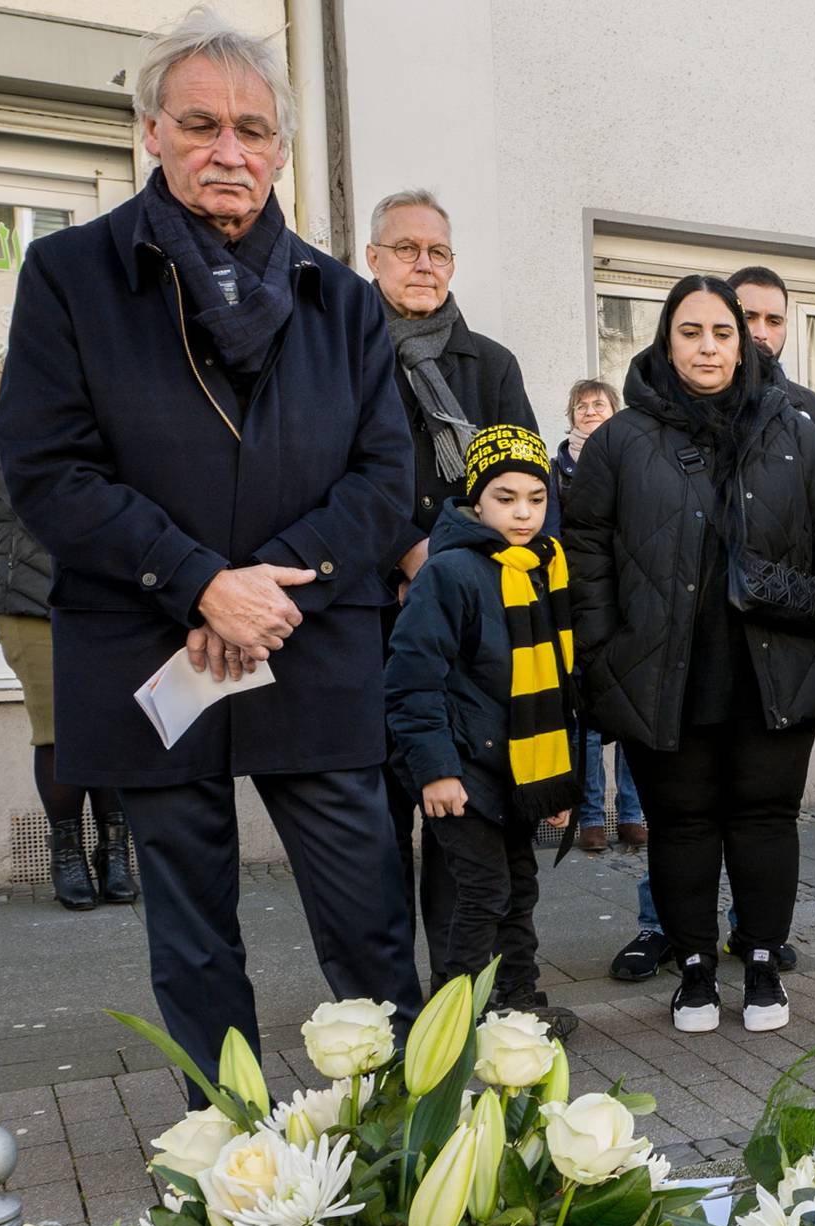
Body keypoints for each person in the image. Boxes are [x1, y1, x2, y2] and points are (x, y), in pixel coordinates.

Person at [0, 8, 421, 1081]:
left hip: (310, 642)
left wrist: (279, 588)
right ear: (152, 132)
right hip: (154, 644)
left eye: (251, 129)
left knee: (371, 921)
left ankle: (417, 1146)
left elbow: (387, 479)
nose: (228, 150)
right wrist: (199, 583)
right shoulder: (68, 276)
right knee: (192, 942)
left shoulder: (344, 300)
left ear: (281, 147)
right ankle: (235, 1159)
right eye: (200, 124)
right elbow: (49, 471)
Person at [566, 274, 815, 1035]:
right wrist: (602, 653)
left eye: (722, 332)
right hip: (663, 670)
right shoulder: (620, 441)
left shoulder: (794, 432)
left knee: (766, 818)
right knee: (682, 824)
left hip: (773, 667)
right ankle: (695, 967)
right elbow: (587, 555)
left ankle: (762, 959)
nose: (708, 346)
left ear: (744, 342)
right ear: (666, 340)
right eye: (691, 331)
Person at [365, 188, 542, 984]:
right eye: (406, 249)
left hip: (473, 631)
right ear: (373, 259)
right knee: (377, 820)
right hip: (368, 617)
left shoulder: (490, 364)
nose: (423, 265)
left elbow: (528, 484)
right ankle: (386, 1000)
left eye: (437, 251)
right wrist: (409, 553)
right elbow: (327, 475)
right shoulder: (344, 352)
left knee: (459, 816)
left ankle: (461, 989)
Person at [385, 424, 583, 1036]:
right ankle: (458, 1014)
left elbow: (560, 688)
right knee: (482, 895)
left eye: (536, 498)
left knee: (519, 890)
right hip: (464, 770)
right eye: (505, 498)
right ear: (476, 499)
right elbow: (412, 683)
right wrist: (437, 771)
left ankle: (516, 1000)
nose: (523, 513)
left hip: (518, 772)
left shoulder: (545, 568)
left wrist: (557, 785)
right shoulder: (450, 573)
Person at [0, 347, 138, 912]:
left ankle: (115, 851)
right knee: (58, 733)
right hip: (30, 604)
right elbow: (47, 502)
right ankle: (67, 853)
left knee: (108, 731)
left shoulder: (71, 433)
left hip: (96, 600)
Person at [550, 378, 648, 858]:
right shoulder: (556, 470)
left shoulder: (635, 460)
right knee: (584, 715)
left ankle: (631, 815)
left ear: (616, 411)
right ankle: (591, 817)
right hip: (575, 600)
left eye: (599, 404)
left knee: (630, 712)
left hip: (627, 598)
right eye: (581, 406)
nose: (590, 411)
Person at [729, 265, 815, 487]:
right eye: (749, 317)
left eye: (774, 321)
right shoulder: (691, 398)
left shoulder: (812, 410)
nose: (761, 333)